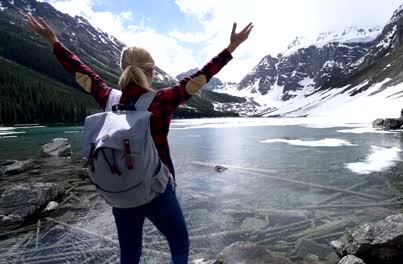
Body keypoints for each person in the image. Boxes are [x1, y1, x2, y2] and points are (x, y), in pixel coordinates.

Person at [25, 13, 253, 264]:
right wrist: (231, 48)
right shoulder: (162, 100)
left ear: (123, 69)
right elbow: (200, 78)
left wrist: (54, 41)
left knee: (130, 254)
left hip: (120, 192)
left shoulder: (108, 98)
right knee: (179, 245)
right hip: (157, 190)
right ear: (150, 71)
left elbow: (80, 71)